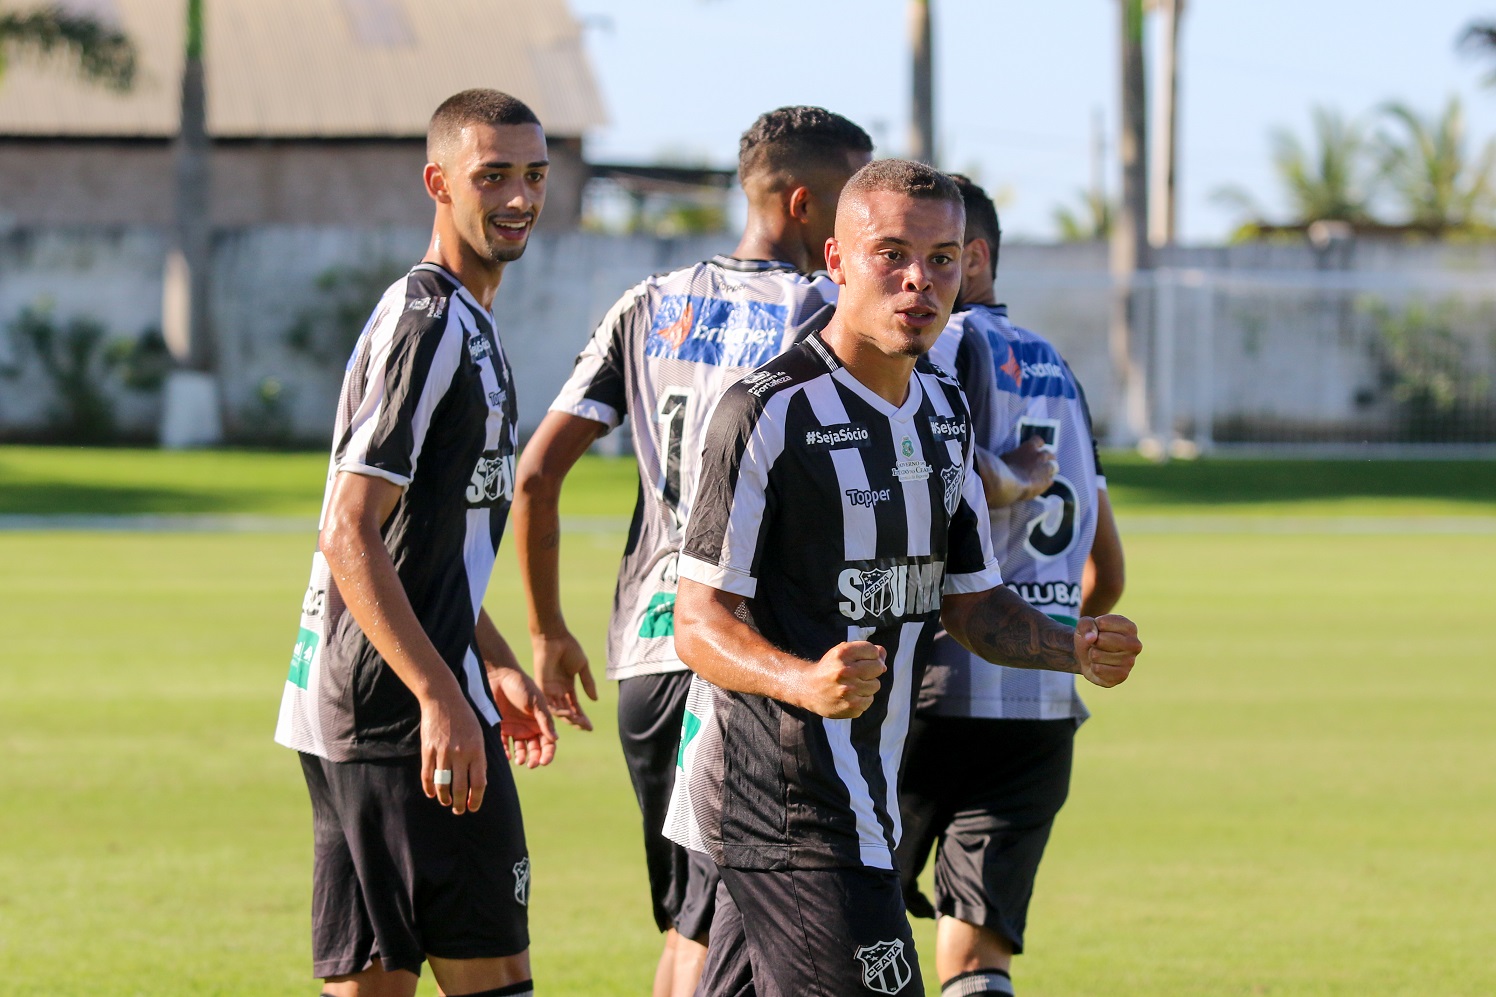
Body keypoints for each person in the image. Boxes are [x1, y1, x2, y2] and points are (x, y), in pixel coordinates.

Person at [664, 159, 1142, 997]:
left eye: (942, 258)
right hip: (784, 799)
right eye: (891, 254)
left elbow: (974, 605)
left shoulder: (943, 410)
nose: (920, 279)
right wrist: (802, 680)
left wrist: (1074, 646)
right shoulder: (767, 410)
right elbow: (698, 621)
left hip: (864, 790)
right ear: (837, 260)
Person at [512, 106, 874, 997]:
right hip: (745, 652)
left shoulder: (648, 304)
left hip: (648, 648)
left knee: (691, 923)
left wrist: (547, 629)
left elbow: (536, 474)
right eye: (851, 201)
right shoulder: (820, 314)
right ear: (803, 204)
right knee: (714, 930)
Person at [274, 89, 558, 997]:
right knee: (495, 976)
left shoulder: (463, 320)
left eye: (534, 175)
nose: (519, 197)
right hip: (401, 714)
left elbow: (419, 541)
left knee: (375, 982)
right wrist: (442, 692)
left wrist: (493, 658)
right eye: (493, 176)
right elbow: (347, 529)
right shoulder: (430, 323)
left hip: (359, 707)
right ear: (438, 183)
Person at [897, 175, 1126, 997]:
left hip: (931, 688)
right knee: (976, 961)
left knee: (850, 929)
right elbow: (1108, 569)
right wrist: (1057, 634)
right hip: (1040, 708)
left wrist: (1007, 482)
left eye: (935, 254)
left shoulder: (941, 346)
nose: (914, 278)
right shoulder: (1061, 369)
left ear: (974, 255)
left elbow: (929, 471)